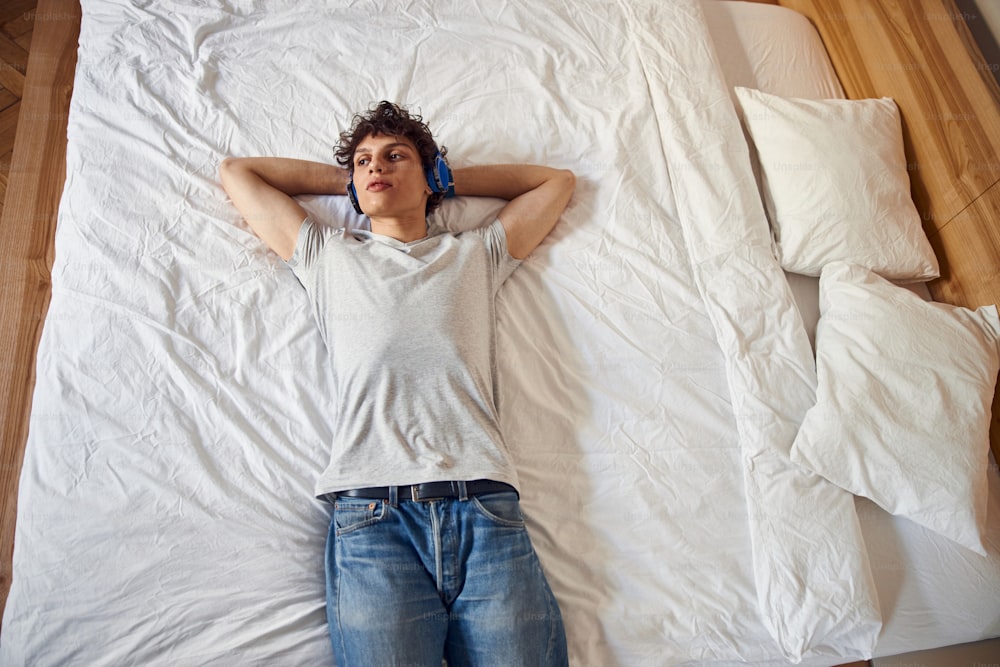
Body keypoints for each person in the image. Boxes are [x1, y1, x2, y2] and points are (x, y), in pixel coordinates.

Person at [219, 100, 574, 666]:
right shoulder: (326, 255)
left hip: (482, 505)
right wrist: (350, 182)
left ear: (430, 178)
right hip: (373, 520)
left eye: (394, 156)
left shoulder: (475, 253)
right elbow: (239, 173)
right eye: (363, 162)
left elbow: (555, 182)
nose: (374, 167)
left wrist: (446, 178)